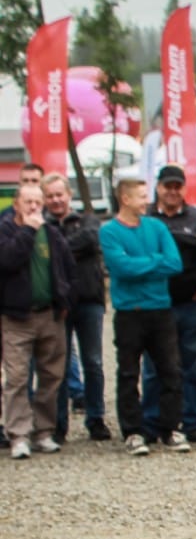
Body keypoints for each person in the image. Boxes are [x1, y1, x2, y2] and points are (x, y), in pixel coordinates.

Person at [100, 177, 188, 455]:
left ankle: (170, 427)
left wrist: (143, 264)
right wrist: (155, 261)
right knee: (128, 373)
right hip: (129, 313)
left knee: (171, 371)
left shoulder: (157, 227)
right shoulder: (110, 231)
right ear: (124, 199)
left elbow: (174, 263)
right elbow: (121, 267)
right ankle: (133, 431)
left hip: (160, 310)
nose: (146, 201)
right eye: (140, 196)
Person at [1, 183, 73, 459]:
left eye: (37, 202)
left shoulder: (52, 234)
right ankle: (18, 434)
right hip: (16, 316)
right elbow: (7, 260)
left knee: (51, 376)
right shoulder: (6, 231)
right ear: (16, 204)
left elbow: (67, 269)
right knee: (17, 377)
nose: (34, 207)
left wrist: (65, 300)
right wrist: (29, 230)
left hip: (50, 315)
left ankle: (44, 431)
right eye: (28, 202)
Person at [144, 165, 196, 443]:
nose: (172, 192)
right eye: (167, 186)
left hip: (193, 304)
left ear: (184, 189)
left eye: (177, 186)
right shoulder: (146, 218)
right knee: (154, 367)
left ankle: (191, 421)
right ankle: (153, 421)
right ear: (158, 187)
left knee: (195, 365)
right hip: (156, 304)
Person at [42, 173, 109, 443]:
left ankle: (96, 418)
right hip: (57, 306)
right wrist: (68, 251)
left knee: (93, 362)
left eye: (60, 194)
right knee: (56, 365)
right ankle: (58, 424)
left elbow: (91, 240)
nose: (56, 200)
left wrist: (56, 252)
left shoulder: (88, 220)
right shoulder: (41, 227)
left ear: (69, 195)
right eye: (51, 196)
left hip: (89, 300)